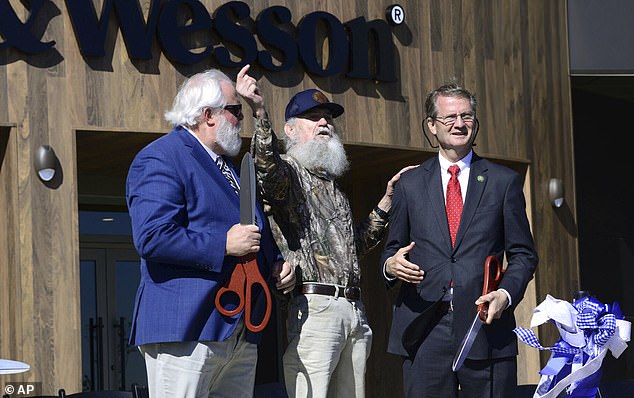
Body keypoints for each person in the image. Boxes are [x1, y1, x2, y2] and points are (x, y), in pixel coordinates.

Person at [236, 64, 414, 398]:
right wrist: (259, 111)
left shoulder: (332, 186)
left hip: (353, 311)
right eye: (313, 116)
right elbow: (265, 169)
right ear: (290, 130)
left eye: (328, 117)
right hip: (314, 309)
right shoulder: (287, 174)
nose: (324, 122)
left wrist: (386, 202)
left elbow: (353, 247)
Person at [126, 68, 295, 398]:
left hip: (239, 330)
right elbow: (153, 237)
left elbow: (251, 233)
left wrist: (276, 263)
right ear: (208, 115)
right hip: (186, 327)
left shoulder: (230, 169)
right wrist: (223, 244)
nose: (240, 119)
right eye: (235, 111)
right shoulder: (161, 157)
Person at [381, 83, 538, 397]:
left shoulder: (503, 182)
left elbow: (523, 254)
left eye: (466, 116)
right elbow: (391, 249)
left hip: (485, 327)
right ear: (432, 126)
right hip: (424, 329)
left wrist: (505, 294)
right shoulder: (409, 184)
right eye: (449, 117)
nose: (459, 123)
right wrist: (390, 264)